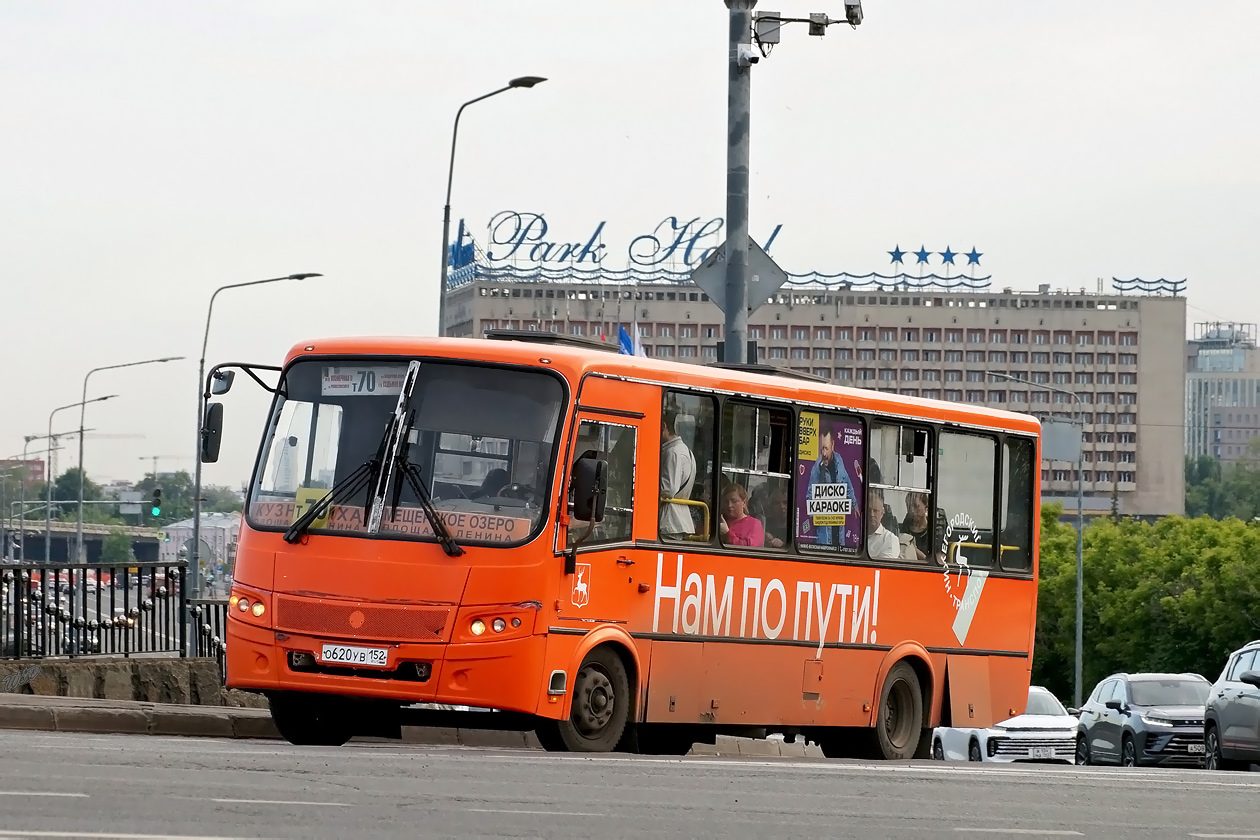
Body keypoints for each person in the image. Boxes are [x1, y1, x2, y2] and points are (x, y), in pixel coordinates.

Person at [808, 426, 856, 547]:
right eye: (821, 448)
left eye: (826, 448)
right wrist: (822, 510)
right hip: (824, 537)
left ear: (832, 445)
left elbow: (847, 483)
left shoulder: (839, 460)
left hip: (839, 534)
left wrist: (854, 505)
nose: (823, 453)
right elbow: (809, 497)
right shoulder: (817, 468)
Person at [659, 408, 697, 540]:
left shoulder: (673, 452)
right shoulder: (685, 450)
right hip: (677, 519)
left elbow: (668, 489)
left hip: (669, 521)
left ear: (664, 427)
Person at [719, 483, 764, 547]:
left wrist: (727, 534)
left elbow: (749, 548)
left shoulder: (754, 524)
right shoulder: (719, 520)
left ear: (744, 503)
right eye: (726, 502)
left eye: (734, 501)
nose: (729, 505)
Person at [866, 490, 901, 560]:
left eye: (875, 511)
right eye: (868, 510)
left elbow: (883, 567)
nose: (871, 514)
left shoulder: (890, 539)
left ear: (882, 513)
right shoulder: (854, 534)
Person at [900, 491, 932, 562]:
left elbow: (935, 560)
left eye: (916, 506)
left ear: (926, 506)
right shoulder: (906, 525)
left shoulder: (933, 528)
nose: (911, 510)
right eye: (908, 506)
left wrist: (913, 548)